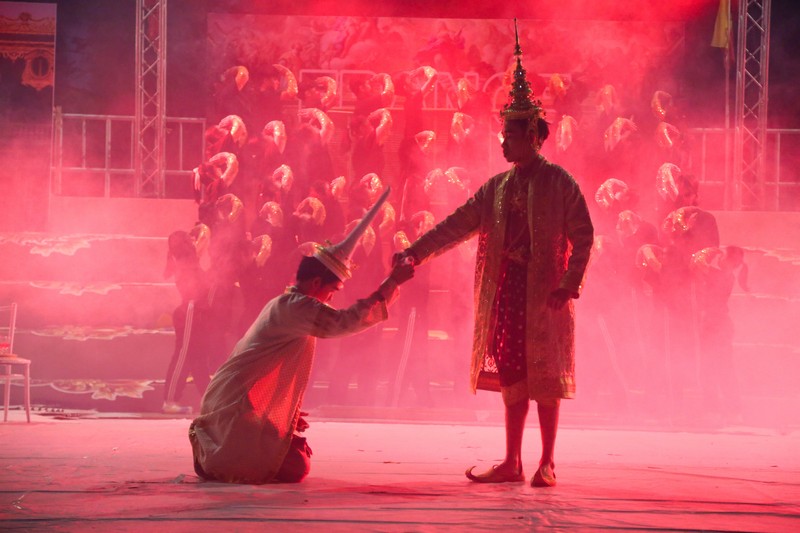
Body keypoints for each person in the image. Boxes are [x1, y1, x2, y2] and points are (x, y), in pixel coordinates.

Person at [394, 26, 594, 488]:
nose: (502, 142)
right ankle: (511, 461)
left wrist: (569, 283)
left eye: (509, 135)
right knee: (512, 374)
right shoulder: (496, 189)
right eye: (503, 134)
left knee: (544, 376)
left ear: (532, 135)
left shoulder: (559, 182)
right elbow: (454, 225)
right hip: (506, 292)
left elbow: (584, 236)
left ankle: (547, 461)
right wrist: (415, 253)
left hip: (546, 294)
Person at [189, 188, 415, 484]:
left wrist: (285, 413)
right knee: (297, 465)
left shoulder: (284, 303)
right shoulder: (297, 307)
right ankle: (221, 456)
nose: (331, 298)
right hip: (231, 405)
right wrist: (392, 282)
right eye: (332, 291)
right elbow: (345, 322)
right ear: (317, 282)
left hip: (227, 399)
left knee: (289, 449)